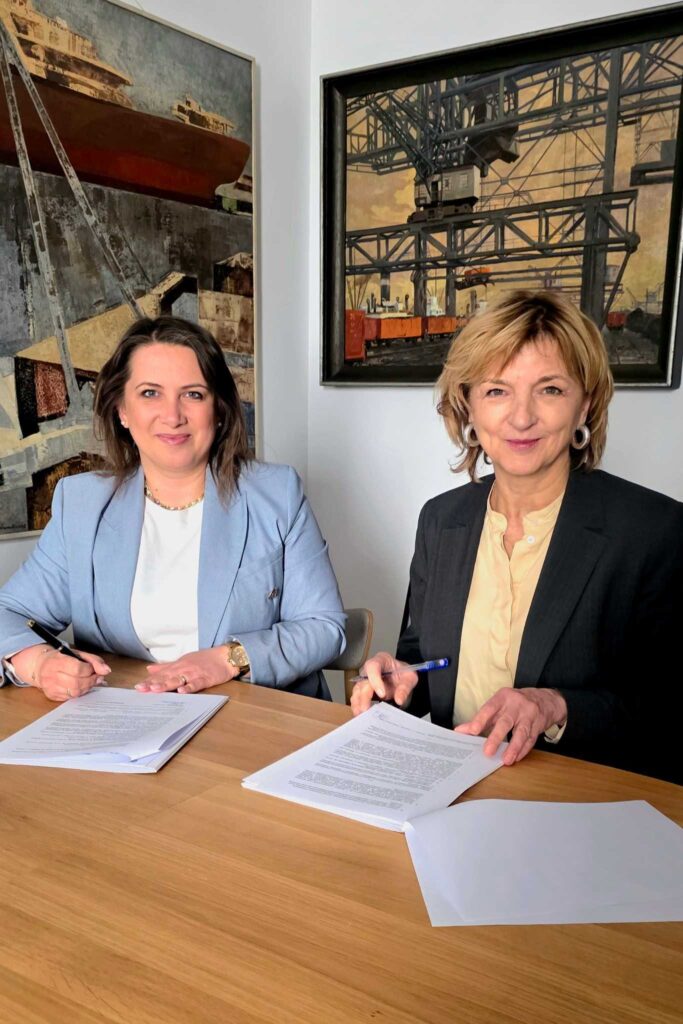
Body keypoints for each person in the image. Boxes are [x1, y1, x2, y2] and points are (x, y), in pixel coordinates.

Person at [351, 290, 683, 784]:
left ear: (584, 405)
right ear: (468, 406)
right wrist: (399, 678)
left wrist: (555, 706)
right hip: (447, 790)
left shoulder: (653, 530)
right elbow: (424, 658)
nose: (522, 416)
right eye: (496, 391)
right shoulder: (440, 520)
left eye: (550, 390)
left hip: (577, 800)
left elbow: (669, 711)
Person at [0, 316, 345, 701]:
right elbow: (8, 613)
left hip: (255, 716)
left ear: (218, 409)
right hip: (128, 718)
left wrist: (229, 659)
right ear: (122, 410)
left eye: (193, 394)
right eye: (150, 393)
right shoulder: (82, 504)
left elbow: (324, 626)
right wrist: (38, 663)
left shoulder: (276, 494)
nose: (172, 415)